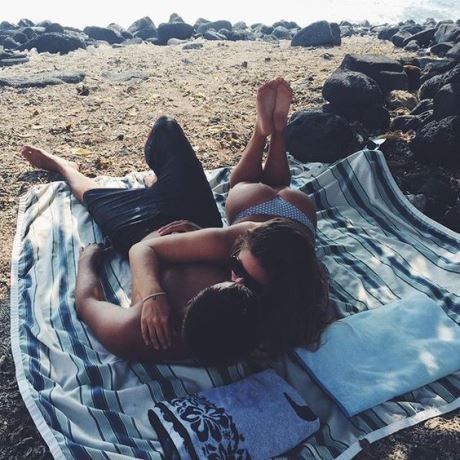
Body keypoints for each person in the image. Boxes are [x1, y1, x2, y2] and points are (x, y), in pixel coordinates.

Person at [22, 77, 329, 363]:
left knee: (91, 195)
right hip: (192, 219)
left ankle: (64, 166)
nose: (235, 278)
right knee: (166, 128)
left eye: (243, 279)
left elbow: (88, 303)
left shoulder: (138, 333)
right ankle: (260, 136)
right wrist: (198, 235)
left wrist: (88, 260)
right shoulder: (253, 254)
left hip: (140, 231)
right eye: (235, 267)